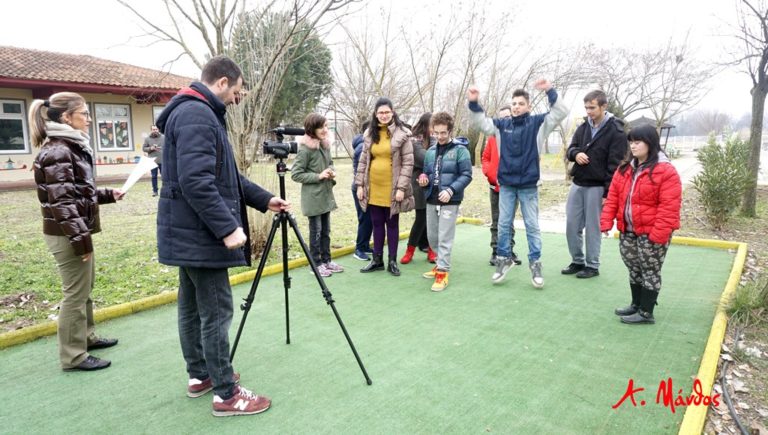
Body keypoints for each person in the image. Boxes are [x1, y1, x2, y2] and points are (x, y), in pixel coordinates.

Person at [156, 55, 289, 416]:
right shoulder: (198, 115)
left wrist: (265, 200)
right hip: (201, 235)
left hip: (187, 232)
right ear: (221, 83)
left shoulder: (194, 113)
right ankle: (226, 394)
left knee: (191, 306)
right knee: (215, 310)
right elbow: (196, 182)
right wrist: (228, 228)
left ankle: (201, 376)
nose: (237, 97)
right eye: (237, 90)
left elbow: (224, 175)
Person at [30, 92, 124, 371]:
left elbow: (77, 192)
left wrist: (108, 195)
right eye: (84, 113)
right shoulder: (58, 150)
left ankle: (86, 338)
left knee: (85, 288)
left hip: (72, 230)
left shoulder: (69, 146)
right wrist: (81, 242)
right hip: (66, 233)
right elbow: (63, 204)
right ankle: (73, 356)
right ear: (66, 117)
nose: (89, 119)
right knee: (75, 293)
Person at [468, 79, 568, 288]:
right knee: (504, 225)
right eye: (513, 103)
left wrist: (549, 90)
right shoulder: (501, 126)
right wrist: (474, 103)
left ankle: (535, 264)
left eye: (521, 103)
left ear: (528, 106)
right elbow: (480, 123)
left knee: (532, 226)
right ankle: (503, 260)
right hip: (507, 185)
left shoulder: (538, 123)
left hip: (529, 185)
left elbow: (560, 111)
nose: (516, 107)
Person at [600, 124, 681, 324]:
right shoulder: (625, 168)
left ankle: (646, 312)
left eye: (637, 142)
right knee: (633, 266)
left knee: (650, 269)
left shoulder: (666, 171)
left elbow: (669, 206)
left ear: (650, 143)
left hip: (652, 231)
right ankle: (636, 304)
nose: (633, 146)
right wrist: (606, 221)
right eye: (631, 142)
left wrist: (658, 235)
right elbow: (613, 197)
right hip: (629, 229)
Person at [561, 90, 627, 279]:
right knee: (572, 225)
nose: (588, 111)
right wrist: (575, 154)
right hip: (579, 182)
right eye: (586, 107)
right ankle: (577, 260)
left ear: (603, 106)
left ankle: (592, 265)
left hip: (598, 187)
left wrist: (608, 193)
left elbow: (615, 166)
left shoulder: (616, 131)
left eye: (592, 107)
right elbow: (571, 149)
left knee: (593, 228)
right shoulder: (583, 127)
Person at [355, 97, 415, 276]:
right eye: (380, 112)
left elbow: (408, 164)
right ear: (375, 114)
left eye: (387, 112)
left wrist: (401, 189)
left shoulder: (402, 134)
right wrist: (360, 185)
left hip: (393, 188)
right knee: (376, 224)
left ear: (393, 112)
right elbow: (363, 160)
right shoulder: (369, 134)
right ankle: (377, 260)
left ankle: (392, 261)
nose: (384, 115)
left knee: (392, 225)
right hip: (373, 187)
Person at [418, 112, 473, 291]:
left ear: (450, 130)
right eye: (437, 133)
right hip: (431, 198)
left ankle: (443, 272)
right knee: (432, 237)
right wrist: (423, 179)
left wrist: (451, 190)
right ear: (432, 131)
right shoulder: (430, 151)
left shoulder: (460, 150)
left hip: (450, 200)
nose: (440, 136)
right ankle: (439, 264)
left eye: (443, 133)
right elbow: (426, 172)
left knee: (445, 237)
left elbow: (467, 175)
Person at [291, 113, 343, 277]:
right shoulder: (305, 150)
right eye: (322, 126)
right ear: (312, 129)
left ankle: (327, 260)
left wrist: (331, 172)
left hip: (325, 196)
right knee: (316, 232)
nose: (325, 130)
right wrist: (318, 176)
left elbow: (330, 164)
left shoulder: (325, 146)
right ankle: (316, 263)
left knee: (326, 231)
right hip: (313, 199)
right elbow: (296, 174)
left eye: (327, 126)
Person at [481, 105, 521, 267]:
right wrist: (491, 175)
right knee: (497, 220)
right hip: (495, 187)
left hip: (513, 187)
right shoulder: (492, 137)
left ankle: (509, 250)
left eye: (507, 117)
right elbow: (485, 159)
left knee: (509, 220)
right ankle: (496, 250)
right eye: (501, 117)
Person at [401, 112, 437, 265]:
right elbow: (427, 158)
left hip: (435, 183)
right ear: (425, 125)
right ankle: (410, 250)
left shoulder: (435, 140)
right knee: (421, 218)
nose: (434, 129)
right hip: (418, 184)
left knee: (433, 219)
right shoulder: (414, 141)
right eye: (432, 125)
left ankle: (432, 250)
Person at [351, 121, 373, 261]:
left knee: (369, 218)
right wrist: (361, 187)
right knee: (364, 218)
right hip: (360, 188)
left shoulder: (367, 145)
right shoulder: (362, 148)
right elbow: (361, 172)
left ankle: (364, 245)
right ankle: (359, 248)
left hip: (369, 188)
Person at [142, 125, 164, 196]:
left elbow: (168, 146)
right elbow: (144, 148)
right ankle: (155, 191)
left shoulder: (164, 137)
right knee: (154, 176)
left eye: (156, 129)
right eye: (153, 129)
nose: (155, 131)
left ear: (158, 130)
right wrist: (150, 148)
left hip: (162, 160)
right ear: (151, 130)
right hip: (152, 160)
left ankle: (164, 190)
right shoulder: (147, 139)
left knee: (164, 176)